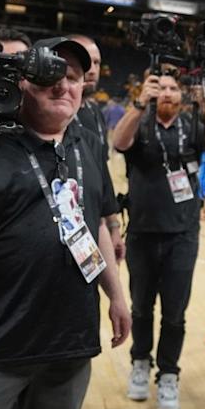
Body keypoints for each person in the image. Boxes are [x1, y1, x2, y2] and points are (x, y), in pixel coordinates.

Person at [0, 37, 131, 409]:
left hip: (68, 345)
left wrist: (117, 293)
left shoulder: (84, 140)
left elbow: (96, 224)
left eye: (75, 76)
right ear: (20, 84)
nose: (66, 84)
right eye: (51, 74)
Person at [112, 68, 205, 409]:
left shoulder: (192, 125)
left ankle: (169, 375)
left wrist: (204, 107)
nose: (166, 93)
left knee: (175, 314)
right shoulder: (141, 121)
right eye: (159, 87)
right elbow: (118, 143)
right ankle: (140, 361)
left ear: (182, 94)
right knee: (141, 308)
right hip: (142, 233)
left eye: (172, 88)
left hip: (182, 235)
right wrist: (138, 103)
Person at [68, 34, 124, 263]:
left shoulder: (94, 112)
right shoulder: (56, 115)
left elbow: (102, 176)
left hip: (92, 227)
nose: (92, 69)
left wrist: (113, 225)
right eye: (85, 60)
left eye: (97, 62)